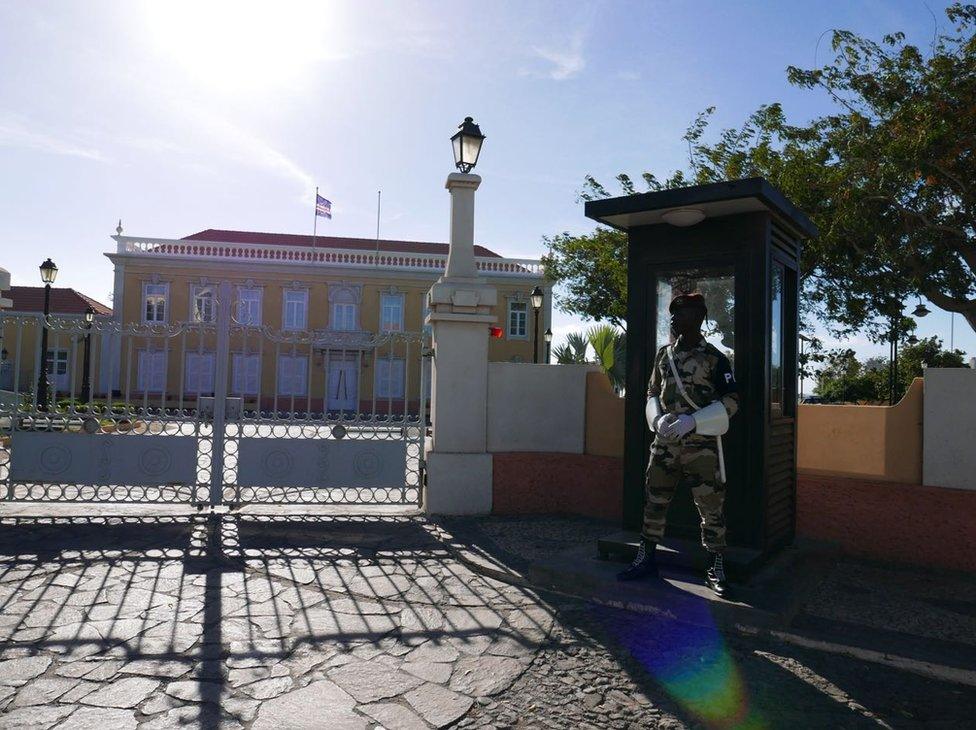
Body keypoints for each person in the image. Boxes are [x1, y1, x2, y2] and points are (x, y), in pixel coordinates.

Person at [617, 292, 738, 595]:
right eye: (672, 314)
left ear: (698, 317)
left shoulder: (715, 358)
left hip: (701, 447)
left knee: (711, 506)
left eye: (681, 314)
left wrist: (694, 421)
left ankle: (715, 564)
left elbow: (732, 400)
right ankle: (646, 557)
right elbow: (652, 393)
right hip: (666, 443)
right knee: (654, 501)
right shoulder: (663, 355)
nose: (674, 319)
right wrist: (657, 420)